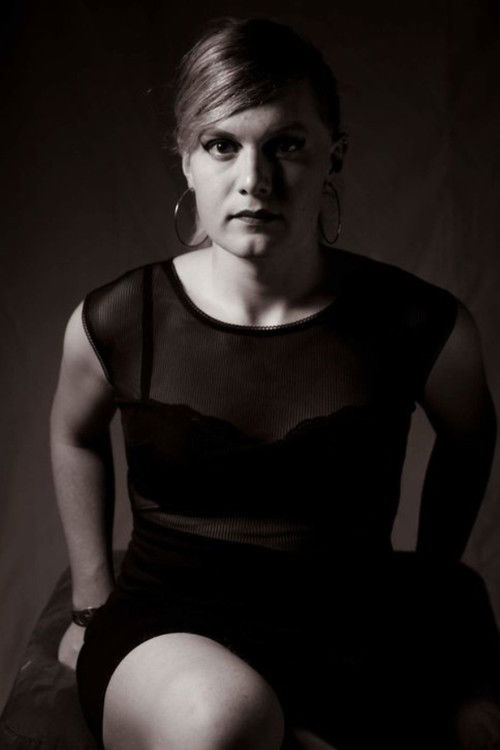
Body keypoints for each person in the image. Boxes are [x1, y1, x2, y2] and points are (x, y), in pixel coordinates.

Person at [50, 15, 500, 750]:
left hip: (351, 629)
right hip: (169, 630)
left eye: (286, 144)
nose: (254, 181)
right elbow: (74, 433)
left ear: (334, 156)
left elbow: (471, 433)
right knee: (221, 723)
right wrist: (90, 601)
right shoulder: (122, 318)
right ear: (187, 160)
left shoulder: (420, 321)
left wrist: (431, 575)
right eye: (221, 145)